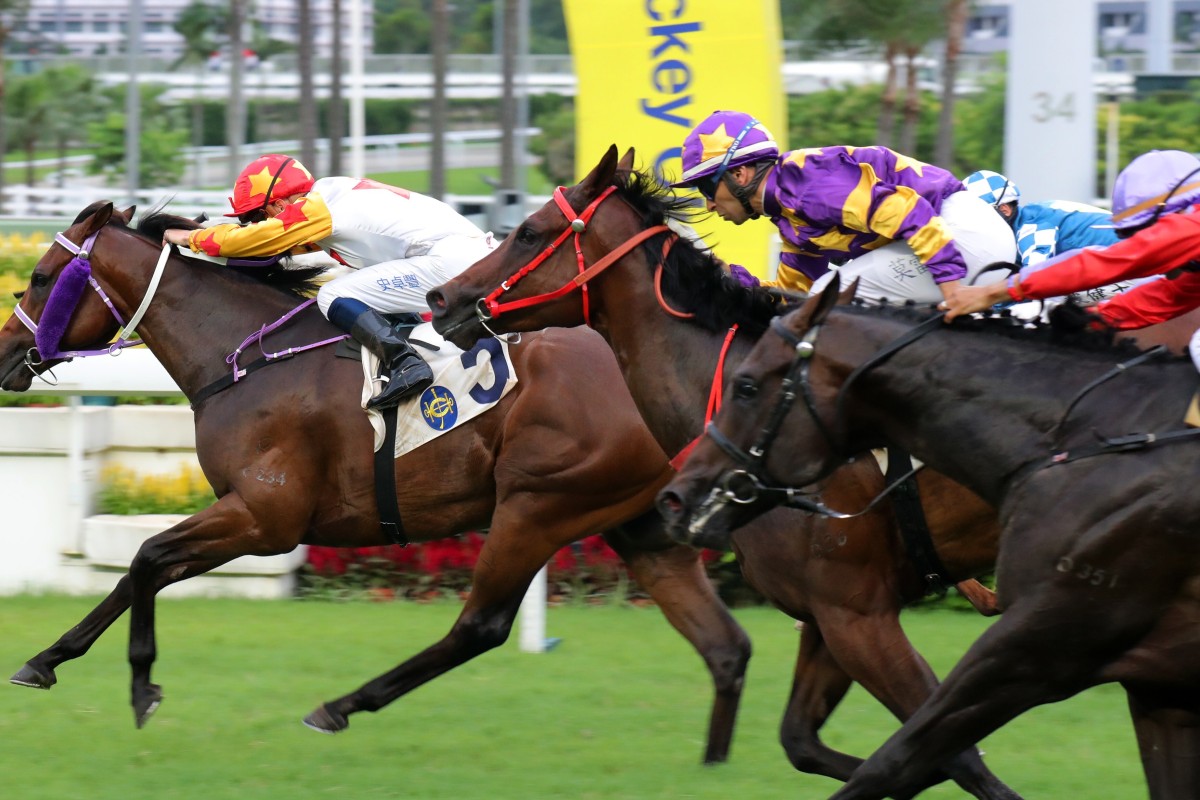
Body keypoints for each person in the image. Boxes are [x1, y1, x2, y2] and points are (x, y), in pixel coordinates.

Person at [163, 154, 495, 409]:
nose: (254, 224)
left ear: (279, 203)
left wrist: (191, 237)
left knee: (333, 295)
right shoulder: (330, 197)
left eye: (255, 216)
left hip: (451, 262)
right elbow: (269, 248)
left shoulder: (317, 208)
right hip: (464, 257)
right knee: (364, 292)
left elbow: (254, 241)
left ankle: (405, 364)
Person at [669, 110, 1016, 306]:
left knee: (826, 300)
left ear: (740, 174)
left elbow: (911, 212)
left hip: (962, 236)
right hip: (951, 241)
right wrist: (726, 277)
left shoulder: (809, 186)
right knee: (812, 304)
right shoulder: (790, 214)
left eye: (707, 187)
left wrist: (952, 287)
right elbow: (791, 297)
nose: (709, 203)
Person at [943, 149, 1200, 336]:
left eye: (1142, 231)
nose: (1140, 238)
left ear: (1176, 214)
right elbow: (1171, 296)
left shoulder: (1192, 225)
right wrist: (1097, 320)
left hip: (1111, 267)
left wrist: (989, 295)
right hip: (1108, 268)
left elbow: (1099, 265)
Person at [961, 169, 1128, 305]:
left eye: (978, 216)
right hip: (1122, 265)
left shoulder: (1032, 227)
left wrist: (989, 303)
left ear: (1004, 209)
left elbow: (1033, 280)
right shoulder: (1029, 218)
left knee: (1052, 303)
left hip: (1133, 266)